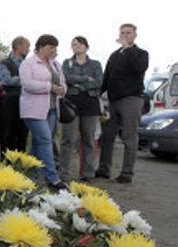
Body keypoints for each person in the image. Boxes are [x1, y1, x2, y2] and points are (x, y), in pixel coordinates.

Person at [97, 23, 149, 183]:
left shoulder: (141, 53)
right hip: (113, 100)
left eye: (128, 33)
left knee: (129, 136)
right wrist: (98, 95)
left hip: (131, 99)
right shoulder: (114, 55)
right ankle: (104, 169)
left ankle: (127, 173)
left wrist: (127, 49)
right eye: (122, 33)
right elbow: (107, 77)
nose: (125, 35)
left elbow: (138, 69)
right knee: (107, 136)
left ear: (135, 35)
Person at [19, 34, 68, 191]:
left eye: (55, 47)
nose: (53, 50)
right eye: (51, 47)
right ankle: (52, 178)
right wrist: (50, 87)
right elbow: (27, 84)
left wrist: (62, 90)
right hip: (33, 110)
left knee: (38, 144)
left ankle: (29, 176)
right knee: (46, 140)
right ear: (41, 47)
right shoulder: (28, 64)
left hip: (52, 109)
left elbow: (63, 83)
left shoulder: (56, 64)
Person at [59, 36, 103, 182]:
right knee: (68, 139)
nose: (76, 46)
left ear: (86, 46)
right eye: (73, 44)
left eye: (79, 44)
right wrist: (85, 79)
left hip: (90, 103)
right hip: (71, 103)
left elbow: (98, 82)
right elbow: (66, 78)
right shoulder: (67, 63)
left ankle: (88, 173)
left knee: (88, 140)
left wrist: (80, 85)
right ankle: (64, 173)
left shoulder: (95, 64)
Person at [0, 36, 30, 153]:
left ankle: (21, 162)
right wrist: (25, 79)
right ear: (19, 47)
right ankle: (7, 161)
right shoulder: (5, 63)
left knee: (23, 132)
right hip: (10, 100)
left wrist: (19, 79)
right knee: (8, 131)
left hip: (25, 100)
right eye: (27, 47)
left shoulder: (27, 64)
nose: (28, 50)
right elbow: (7, 81)